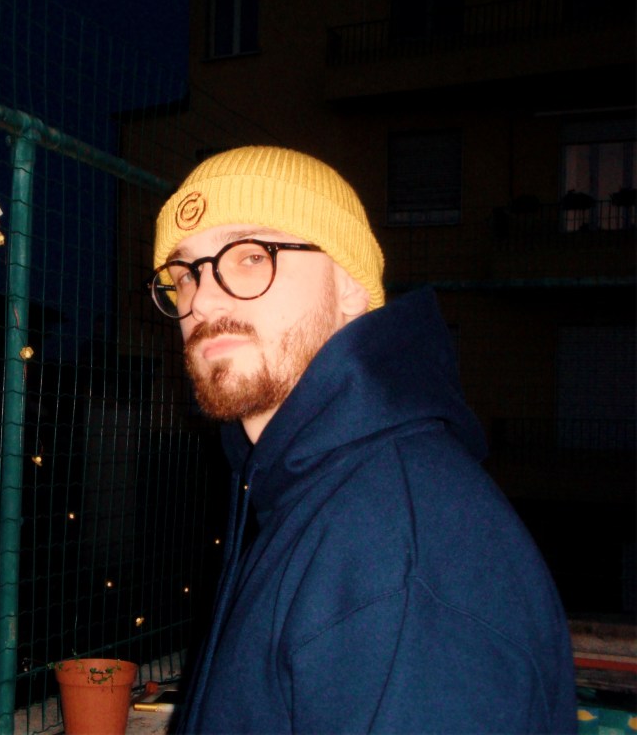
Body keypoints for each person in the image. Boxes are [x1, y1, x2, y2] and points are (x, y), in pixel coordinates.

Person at [147, 146, 577, 733]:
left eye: (250, 256)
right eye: (184, 274)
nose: (202, 299)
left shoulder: (395, 548)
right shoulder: (300, 488)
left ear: (350, 287)